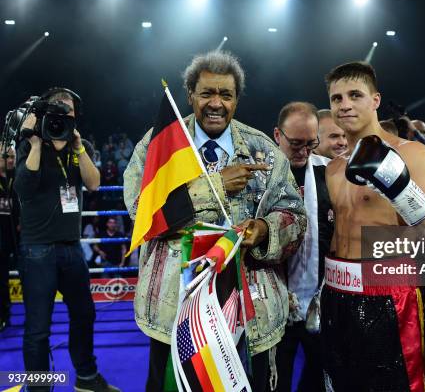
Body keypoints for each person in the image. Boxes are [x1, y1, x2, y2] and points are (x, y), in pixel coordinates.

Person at [123, 50, 306, 392]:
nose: (216, 103)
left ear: (237, 99)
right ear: (189, 94)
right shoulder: (159, 145)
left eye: (226, 94)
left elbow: (295, 216)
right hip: (172, 311)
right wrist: (217, 185)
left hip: (250, 314)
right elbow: (140, 213)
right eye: (207, 93)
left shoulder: (262, 150)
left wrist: (265, 230)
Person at [322, 62, 425, 392]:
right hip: (337, 293)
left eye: (355, 95)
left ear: (376, 100)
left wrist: (401, 190)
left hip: (391, 294)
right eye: (337, 98)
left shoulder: (412, 154)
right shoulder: (334, 168)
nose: (345, 104)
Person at [14, 88, 119, 391]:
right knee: (38, 328)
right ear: (46, 110)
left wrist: (79, 147)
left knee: (85, 314)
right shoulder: (32, 142)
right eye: (58, 106)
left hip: (71, 248)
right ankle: (38, 386)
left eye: (69, 108)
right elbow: (24, 188)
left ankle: (86, 378)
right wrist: (34, 142)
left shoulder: (79, 145)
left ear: (76, 113)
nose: (64, 112)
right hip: (37, 249)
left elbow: (94, 184)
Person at [272, 102, 333, 392]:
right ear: (277, 135)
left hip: (320, 299)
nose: (304, 151)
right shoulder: (259, 177)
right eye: (295, 143)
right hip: (274, 303)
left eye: (311, 143)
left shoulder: (330, 174)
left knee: (320, 380)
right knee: (274, 382)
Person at [0, 143, 18, 332]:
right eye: (7, 157)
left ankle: (36, 315)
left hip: (20, 236)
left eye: (13, 157)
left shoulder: (18, 177)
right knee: (1, 280)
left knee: (30, 277)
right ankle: (4, 315)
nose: (11, 160)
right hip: (1, 238)